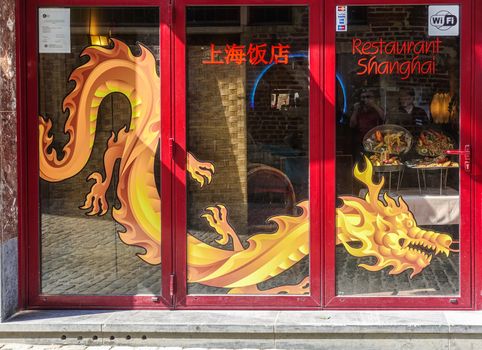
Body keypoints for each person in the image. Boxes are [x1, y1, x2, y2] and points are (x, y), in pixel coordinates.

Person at [350, 89, 385, 159]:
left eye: (368, 97)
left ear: (373, 98)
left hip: (375, 142)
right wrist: (355, 110)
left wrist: (374, 105)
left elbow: (384, 118)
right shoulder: (358, 110)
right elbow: (352, 125)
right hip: (361, 141)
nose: (365, 99)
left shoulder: (377, 109)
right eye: (363, 97)